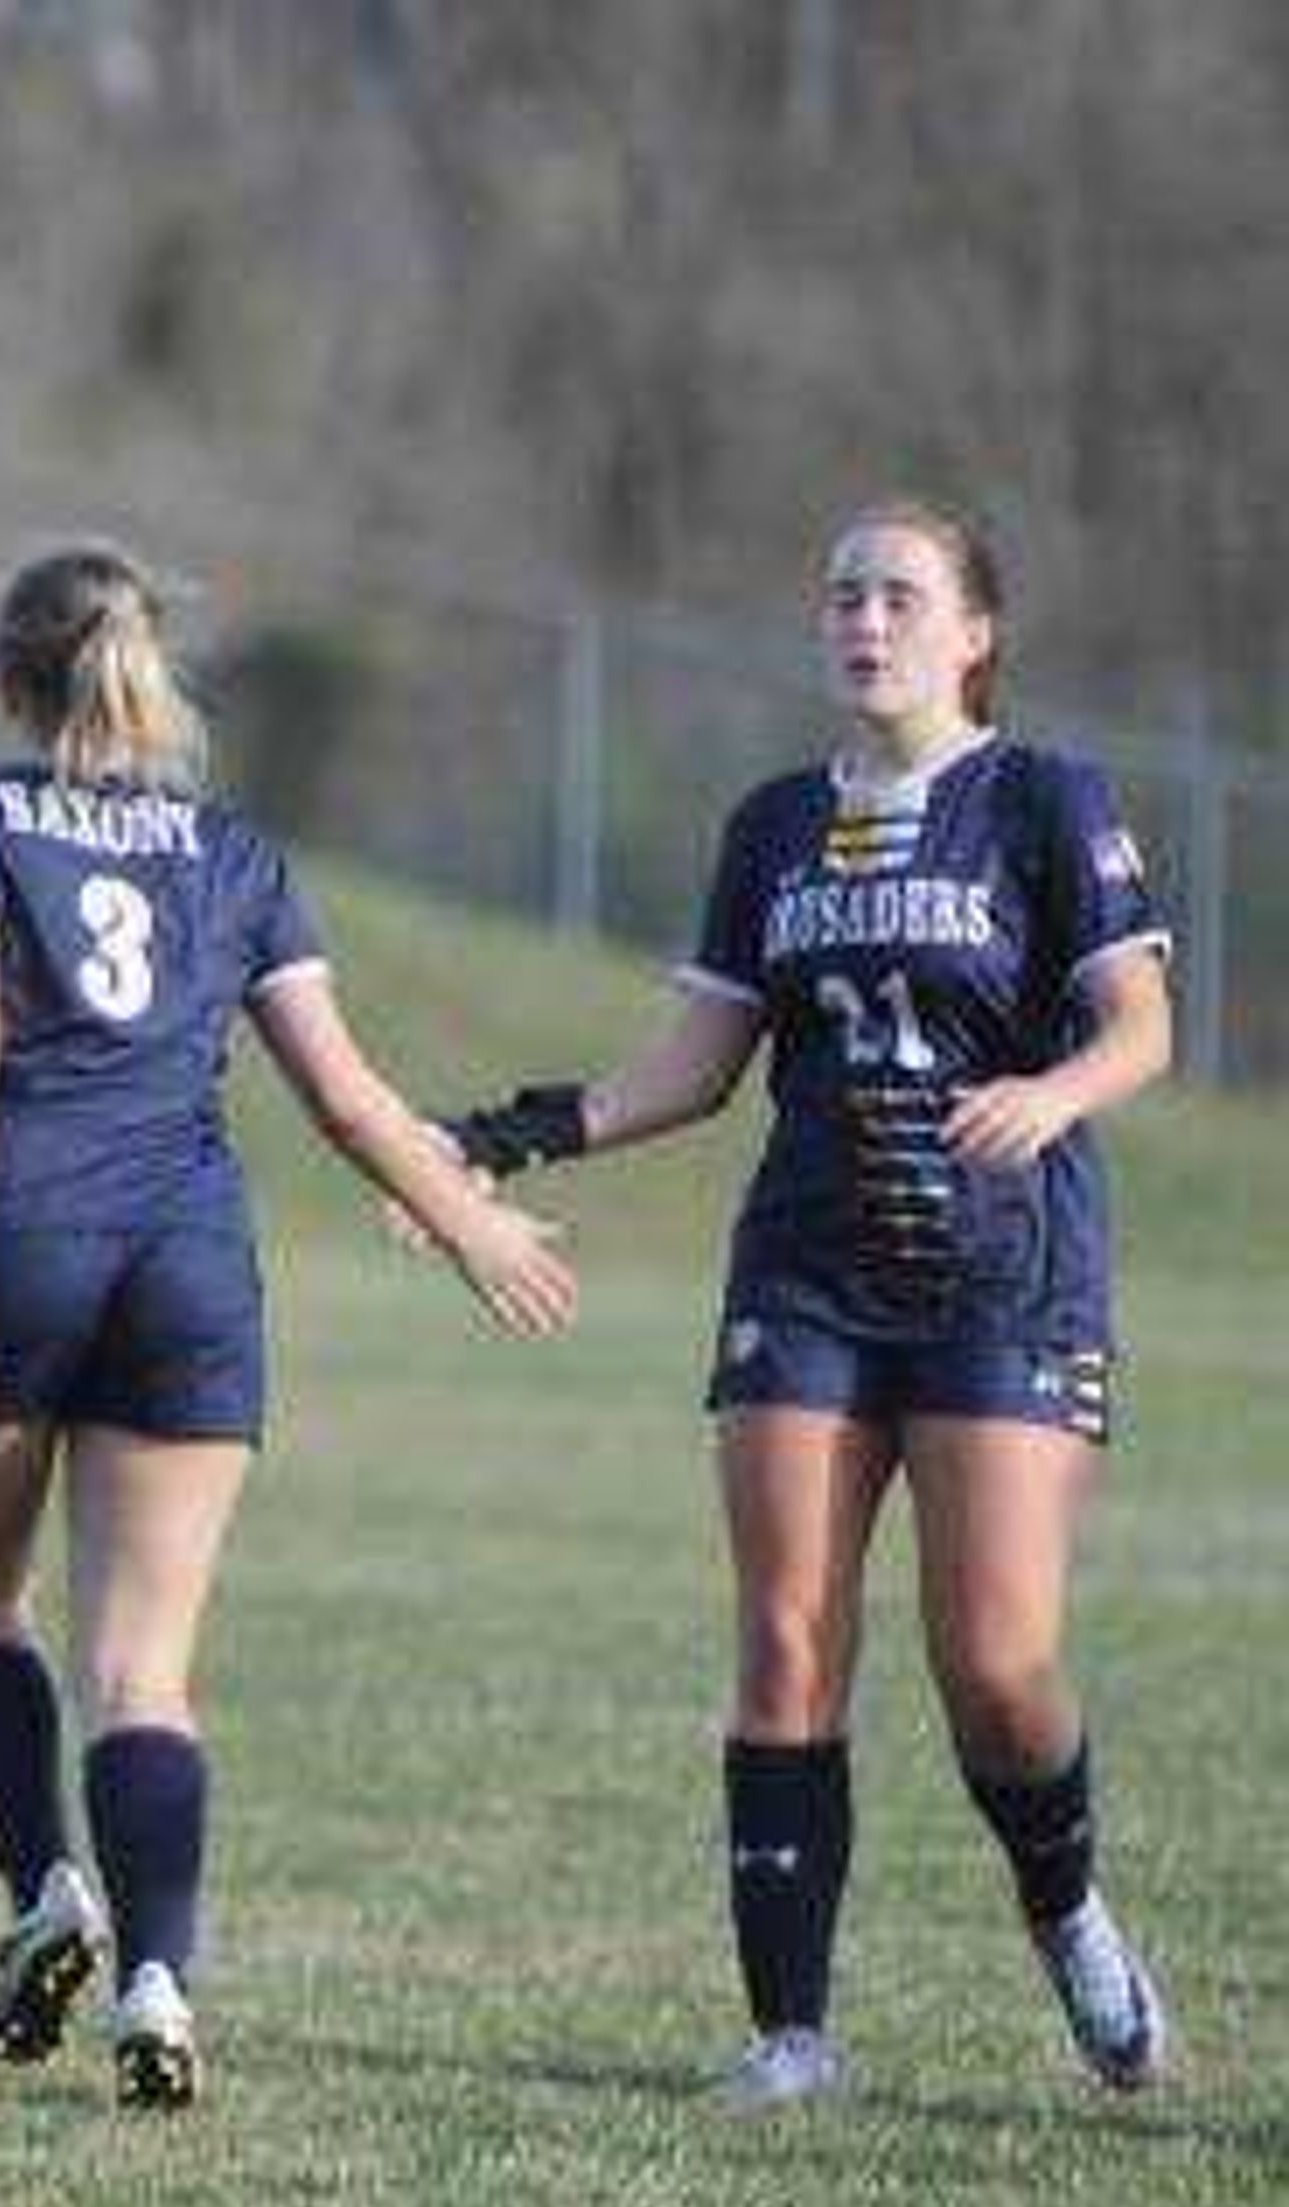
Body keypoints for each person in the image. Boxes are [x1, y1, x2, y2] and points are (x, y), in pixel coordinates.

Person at [430, 496, 1175, 2110]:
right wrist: (503, 1136)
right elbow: (691, 1071)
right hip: (809, 1271)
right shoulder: (775, 825)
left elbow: (1139, 1026)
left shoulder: (1044, 800)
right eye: (843, 593)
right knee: (783, 1644)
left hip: (1006, 1279)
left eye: (903, 595)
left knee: (997, 1660)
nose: (866, 619)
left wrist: (1049, 1097)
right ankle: (791, 2037)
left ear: (975, 634)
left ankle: (1065, 1909)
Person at [0, 545, 576, 2109]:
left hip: (16, 1236)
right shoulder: (235, 854)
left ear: (5, 680)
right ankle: (158, 1980)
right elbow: (342, 1095)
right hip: (186, 1258)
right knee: (145, 1671)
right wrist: (472, 1222)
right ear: (152, 681)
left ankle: (47, 1887)